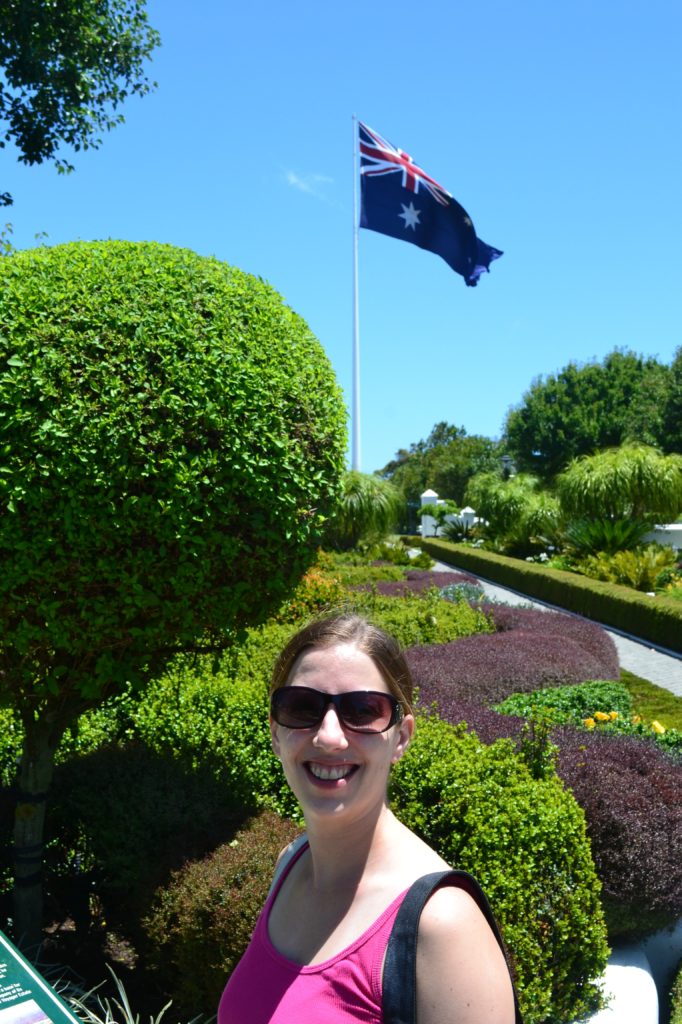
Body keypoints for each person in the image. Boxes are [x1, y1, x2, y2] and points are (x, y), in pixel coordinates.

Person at [218, 614, 518, 1023]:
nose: (328, 736)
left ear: (402, 737)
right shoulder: (291, 863)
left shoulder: (443, 923)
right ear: (275, 731)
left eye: (361, 710)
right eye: (301, 707)